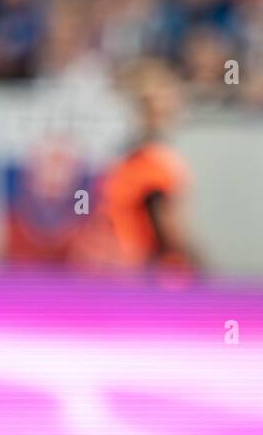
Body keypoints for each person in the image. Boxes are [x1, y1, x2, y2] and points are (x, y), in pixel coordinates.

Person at [73, 58, 202, 274]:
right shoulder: (155, 164)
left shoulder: (120, 164)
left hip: (119, 274)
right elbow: (171, 234)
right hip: (150, 280)